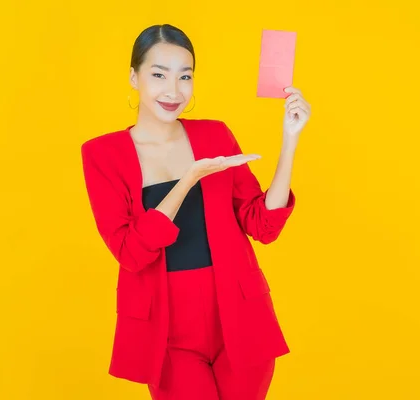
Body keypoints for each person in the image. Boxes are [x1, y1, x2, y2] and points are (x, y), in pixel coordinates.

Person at [80, 24, 311, 400]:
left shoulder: (215, 135)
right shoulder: (102, 154)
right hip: (167, 329)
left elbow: (262, 225)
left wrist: (290, 141)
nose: (174, 91)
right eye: (159, 75)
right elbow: (131, 252)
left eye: (185, 76)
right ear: (134, 77)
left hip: (238, 317)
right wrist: (186, 181)